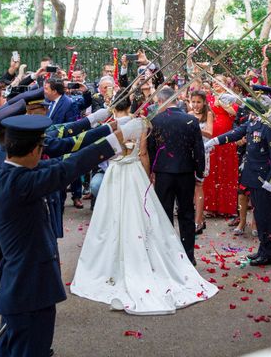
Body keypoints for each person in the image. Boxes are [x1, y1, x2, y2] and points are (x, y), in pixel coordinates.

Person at [0, 114, 145, 356]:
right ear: (34, 150)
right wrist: (117, 139)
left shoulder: (6, 174)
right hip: (30, 290)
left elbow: (62, 164)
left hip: (16, 287)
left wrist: (111, 134)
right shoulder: (21, 182)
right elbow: (68, 169)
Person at [70, 111, 218, 315]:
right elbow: (144, 153)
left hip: (116, 174)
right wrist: (148, 174)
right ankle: (183, 255)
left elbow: (103, 152)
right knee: (164, 217)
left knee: (115, 218)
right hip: (141, 173)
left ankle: (111, 263)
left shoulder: (111, 124)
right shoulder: (144, 124)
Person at [206, 89, 271, 266]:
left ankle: (269, 253)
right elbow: (238, 132)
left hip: (264, 178)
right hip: (252, 173)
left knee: (266, 216)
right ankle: (263, 250)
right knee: (259, 213)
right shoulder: (254, 118)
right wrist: (215, 141)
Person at [147, 87, 206, 265]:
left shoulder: (155, 121)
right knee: (186, 213)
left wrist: (151, 171)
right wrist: (199, 172)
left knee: (164, 213)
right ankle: (188, 255)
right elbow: (198, 149)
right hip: (186, 172)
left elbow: (151, 149)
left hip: (163, 173)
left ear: (161, 101)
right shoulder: (190, 120)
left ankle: (168, 255)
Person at [203, 75, 239, 217]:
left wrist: (222, 103)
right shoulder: (209, 98)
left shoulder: (231, 97)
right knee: (211, 171)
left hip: (227, 138)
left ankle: (226, 208)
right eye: (214, 82)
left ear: (225, 84)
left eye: (219, 82)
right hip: (212, 138)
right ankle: (211, 207)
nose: (215, 84)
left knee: (226, 171)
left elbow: (234, 113)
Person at [189, 90, 214, 234]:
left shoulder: (208, 114)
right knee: (190, 185)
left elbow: (210, 133)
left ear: (204, 102)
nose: (196, 105)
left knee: (199, 184)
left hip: (203, 152)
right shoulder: (189, 114)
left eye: (198, 102)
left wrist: (196, 126)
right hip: (190, 153)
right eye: (193, 102)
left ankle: (198, 221)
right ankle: (199, 217)